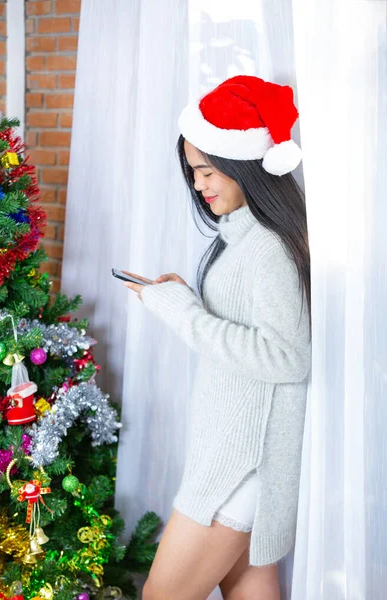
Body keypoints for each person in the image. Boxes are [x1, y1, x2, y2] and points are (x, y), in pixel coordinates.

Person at [123, 75, 311, 600]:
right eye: (194, 173)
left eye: (207, 170)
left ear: (244, 166)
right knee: (251, 592)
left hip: (240, 467)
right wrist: (190, 300)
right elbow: (250, 329)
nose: (200, 184)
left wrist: (182, 312)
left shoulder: (267, 247)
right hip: (236, 458)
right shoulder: (246, 239)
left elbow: (287, 357)